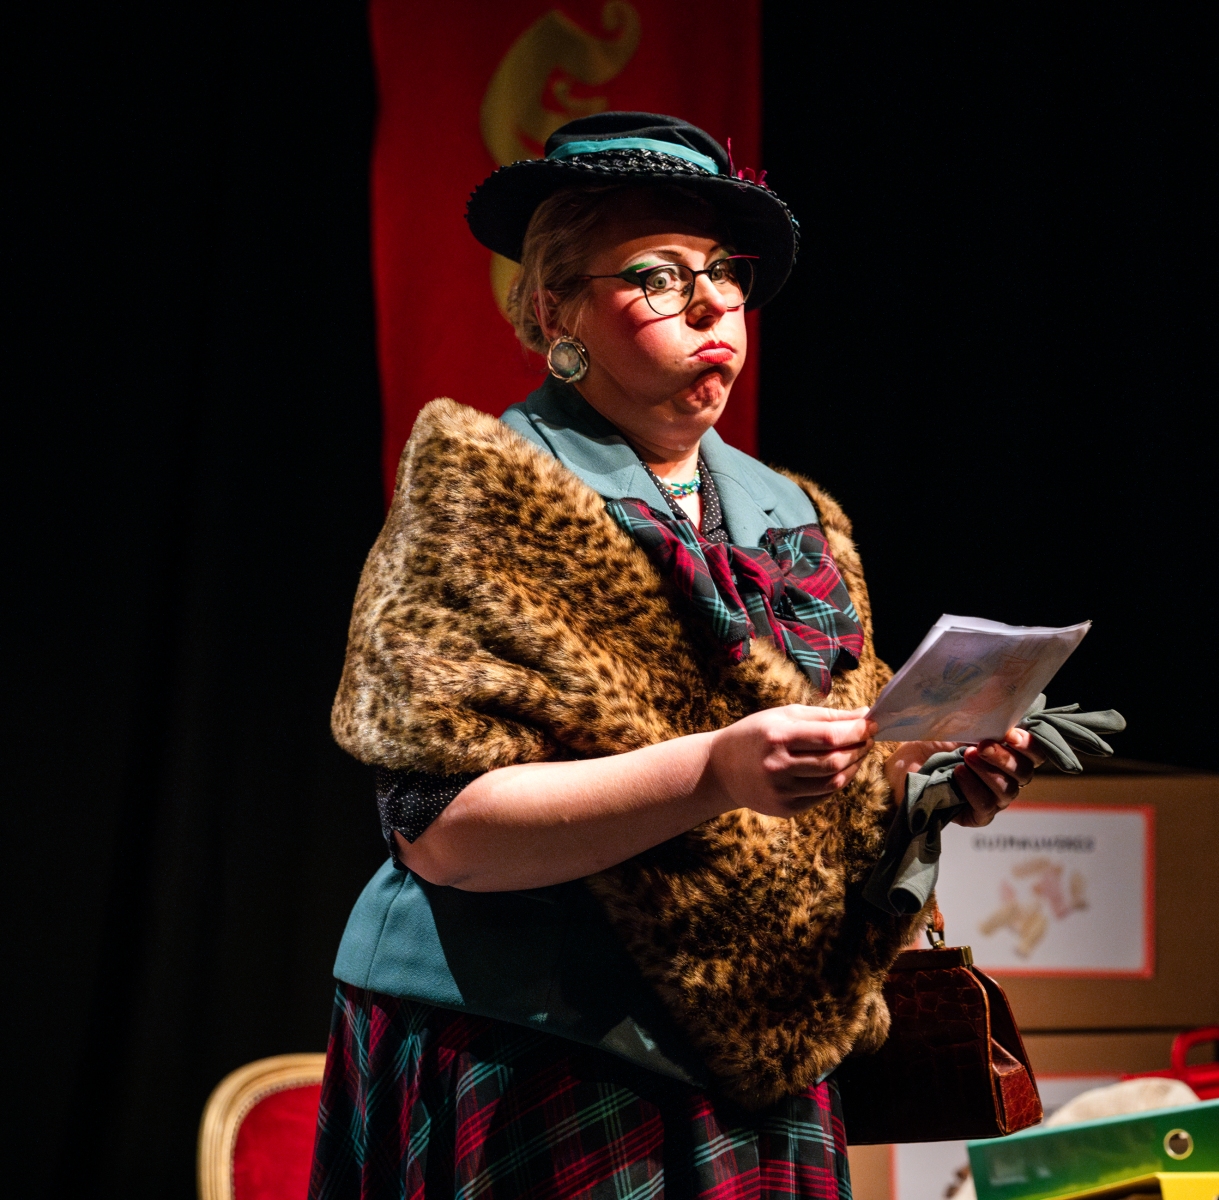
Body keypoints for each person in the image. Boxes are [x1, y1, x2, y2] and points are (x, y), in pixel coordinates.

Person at [309, 113, 1046, 1200]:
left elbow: (829, 794)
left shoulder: (791, 514)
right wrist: (715, 770)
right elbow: (441, 833)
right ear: (555, 310)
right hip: (539, 1044)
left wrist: (930, 781)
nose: (710, 307)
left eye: (724, 274)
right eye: (657, 277)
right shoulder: (483, 492)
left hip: (764, 1050)